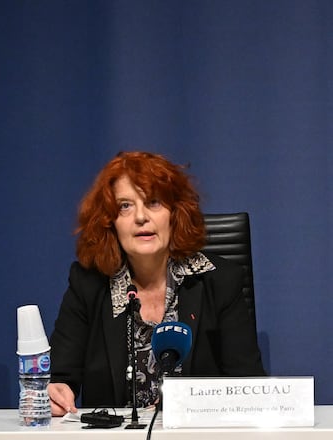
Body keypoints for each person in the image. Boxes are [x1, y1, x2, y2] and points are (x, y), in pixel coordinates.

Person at [48, 151, 265, 415]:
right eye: (125, 206)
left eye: (153, 202)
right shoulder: (88, 284)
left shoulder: (218, 280)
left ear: (175, 214)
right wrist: (56, 391)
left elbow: (247, 385)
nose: (140, 217)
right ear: (111, 222)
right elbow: (60, 376)